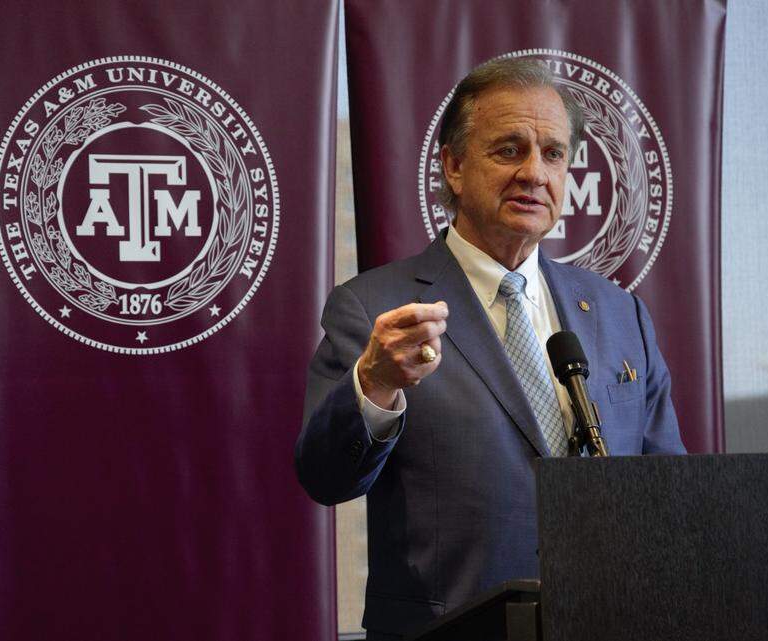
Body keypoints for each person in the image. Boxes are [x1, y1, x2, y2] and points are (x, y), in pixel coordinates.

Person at [294, 56, 686, 640]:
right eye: (509, 150)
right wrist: (375, 385)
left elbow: (669, 494)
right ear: (453, 165)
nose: (535, 173)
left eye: (553, 154)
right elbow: (326, 478)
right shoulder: (374, 308)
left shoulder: (618, 311)